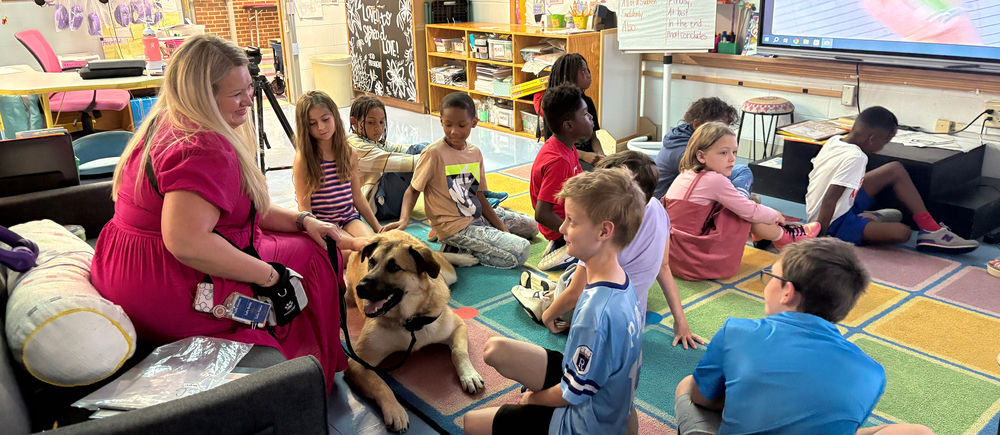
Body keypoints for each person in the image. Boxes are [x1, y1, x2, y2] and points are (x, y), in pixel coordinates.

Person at [91, 35, 365, 391]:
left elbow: (247, 210)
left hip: (126, 268)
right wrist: (271, 277)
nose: (249, 100)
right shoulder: (203, 145)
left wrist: (305, 220)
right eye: (237, 94)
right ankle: (311, 376)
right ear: (201, 96)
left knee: (308, 238)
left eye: (250, 88)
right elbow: (187, 242)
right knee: (314, 257)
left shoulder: (164, 123)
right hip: (171, 284)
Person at [674, 238, 934, 435]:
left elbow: (701, 397)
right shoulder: (873, 372)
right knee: (917, 432)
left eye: (771, 277)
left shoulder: (736, 331)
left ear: (787, 292)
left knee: (686, 384)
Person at [464, 167, 645, 435]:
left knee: (470, 423)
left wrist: (532, 400)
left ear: (604, 231)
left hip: (579, 424)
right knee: (494, 349)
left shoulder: (597, 312)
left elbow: (573, 393)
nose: (561, 228)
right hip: (597, 393)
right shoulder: (621, 282)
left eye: (572, 220)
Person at [513, 151, 704, 349]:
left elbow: (575, 294)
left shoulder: (605, 232)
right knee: (577, 271)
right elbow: (663, 267)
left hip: (589, 318)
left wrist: (547, 317)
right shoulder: (658, 209)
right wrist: (681, 322)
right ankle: (551, 292)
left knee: (571, 275)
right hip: (632, 318)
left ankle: (543, 302)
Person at [382, 92, 537, 269]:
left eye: (462, 125)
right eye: (448, 125)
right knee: (520, 251)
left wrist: (501, 228)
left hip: (476, 216)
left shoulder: (475, 152)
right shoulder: (433, 154)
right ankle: (456, 249)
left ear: (474, 122)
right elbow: (413, 190)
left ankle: (471, 243)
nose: (454, 131)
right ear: (441, 121)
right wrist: (404, 220)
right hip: (455, 228)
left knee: (532, 227)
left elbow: (479, 196)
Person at [805, 106, 978, 253]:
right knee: (903, 233)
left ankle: (930, 229)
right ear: (871, 138)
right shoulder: (856, 157)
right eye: (885, 141)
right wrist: (818, 240)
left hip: (836, 207)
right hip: (833, 222)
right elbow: (830, 200)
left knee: (894, 169)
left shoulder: (835, 141)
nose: (884, 146)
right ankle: (863, 221)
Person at [664, 122, 820, 281]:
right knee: (743, 212)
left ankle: (775, 235)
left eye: (734, 152)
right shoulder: (713, 180)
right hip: (692, 260)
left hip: (672, 255)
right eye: (724, 153)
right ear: (701, 156)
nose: (732, 159)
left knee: (744, 206)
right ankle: (785, 237)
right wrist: (774, 215)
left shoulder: (686, 173)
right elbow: (749, 211)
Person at [294, 91, 381, 241]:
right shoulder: (303, 159)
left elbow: (357, 196)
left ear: (335, 117)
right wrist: (315, 233)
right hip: (322, 223)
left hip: (349, 218)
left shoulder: (349, 153)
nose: (321, 127)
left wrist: (378, 228)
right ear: (305, 127)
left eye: (326, 119)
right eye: (313, 123)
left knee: (373, 246)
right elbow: (304, 207)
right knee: (351, 251)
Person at [530, 84, 593, 271]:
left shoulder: (567, 145)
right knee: (608, 242)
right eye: (584, 113)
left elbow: (580, 182)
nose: (590, 117)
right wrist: (572, 233)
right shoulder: (558, 161)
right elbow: (542, 214)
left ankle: (565, 245)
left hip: (570, 215)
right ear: (568, 125)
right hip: (561, 224)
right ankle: (566, 246)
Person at [347, 95, 424, 221]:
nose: (379, 128)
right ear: (354, 122)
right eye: (371, 122)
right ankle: (445, 210)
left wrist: (435, 152)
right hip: (378, 207)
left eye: (382, 122)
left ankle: (450, 205)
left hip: (387, 201)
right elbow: (396, 162)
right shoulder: (354, 145)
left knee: (422, 149)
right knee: (427, 160)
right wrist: (437, 158)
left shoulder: (374, 141)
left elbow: (404, 149)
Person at [654, 97, 749, 199]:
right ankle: (739, 204)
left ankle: (740, 201)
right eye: (718, 127)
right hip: (666, 203)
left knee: (742, 170)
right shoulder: (683, 150)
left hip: (692, 189)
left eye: (726, 126)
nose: (724, 131)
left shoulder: (691, 134)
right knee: (722, 178)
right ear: (697, 125)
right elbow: (710, 179)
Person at [533, 53, 604, 170]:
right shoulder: (557, 105)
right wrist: (584, 155)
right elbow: (556, 146)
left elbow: (593, 137)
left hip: (589, 157)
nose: (589, 75)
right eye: (583, 71)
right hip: (570, 157)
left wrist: (601, 155)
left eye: (588, 70)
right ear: (568, 76)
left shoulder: (587, 102)